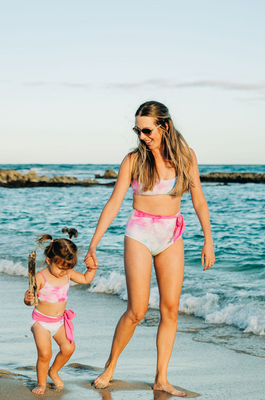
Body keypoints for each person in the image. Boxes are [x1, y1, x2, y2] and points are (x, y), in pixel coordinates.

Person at [85, 101, 215, 397]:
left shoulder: (186, 157)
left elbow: (198, 200)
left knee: (170, 310)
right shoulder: (133, 160)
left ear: (164, 126)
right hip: (140, 233)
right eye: (138, 130)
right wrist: (94, 243)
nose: (142, 136)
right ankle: (110, 366)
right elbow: (114, 203)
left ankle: (161, 378)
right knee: (137, 310)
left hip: (172, 234)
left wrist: (208, 239)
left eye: (147, 130)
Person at [24, 227, 97, 395]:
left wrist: (91, 269)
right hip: (41, 322)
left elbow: (85, 279)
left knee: (68, 348)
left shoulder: (68, 273)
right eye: (61, 268)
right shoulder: (40, 277)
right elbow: (31, 299)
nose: (64, 272)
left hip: (59, 322)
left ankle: (54, 371)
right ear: (49, 261)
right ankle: (41, 383)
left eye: (67, 269)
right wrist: (27, 300)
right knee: (45, 353)